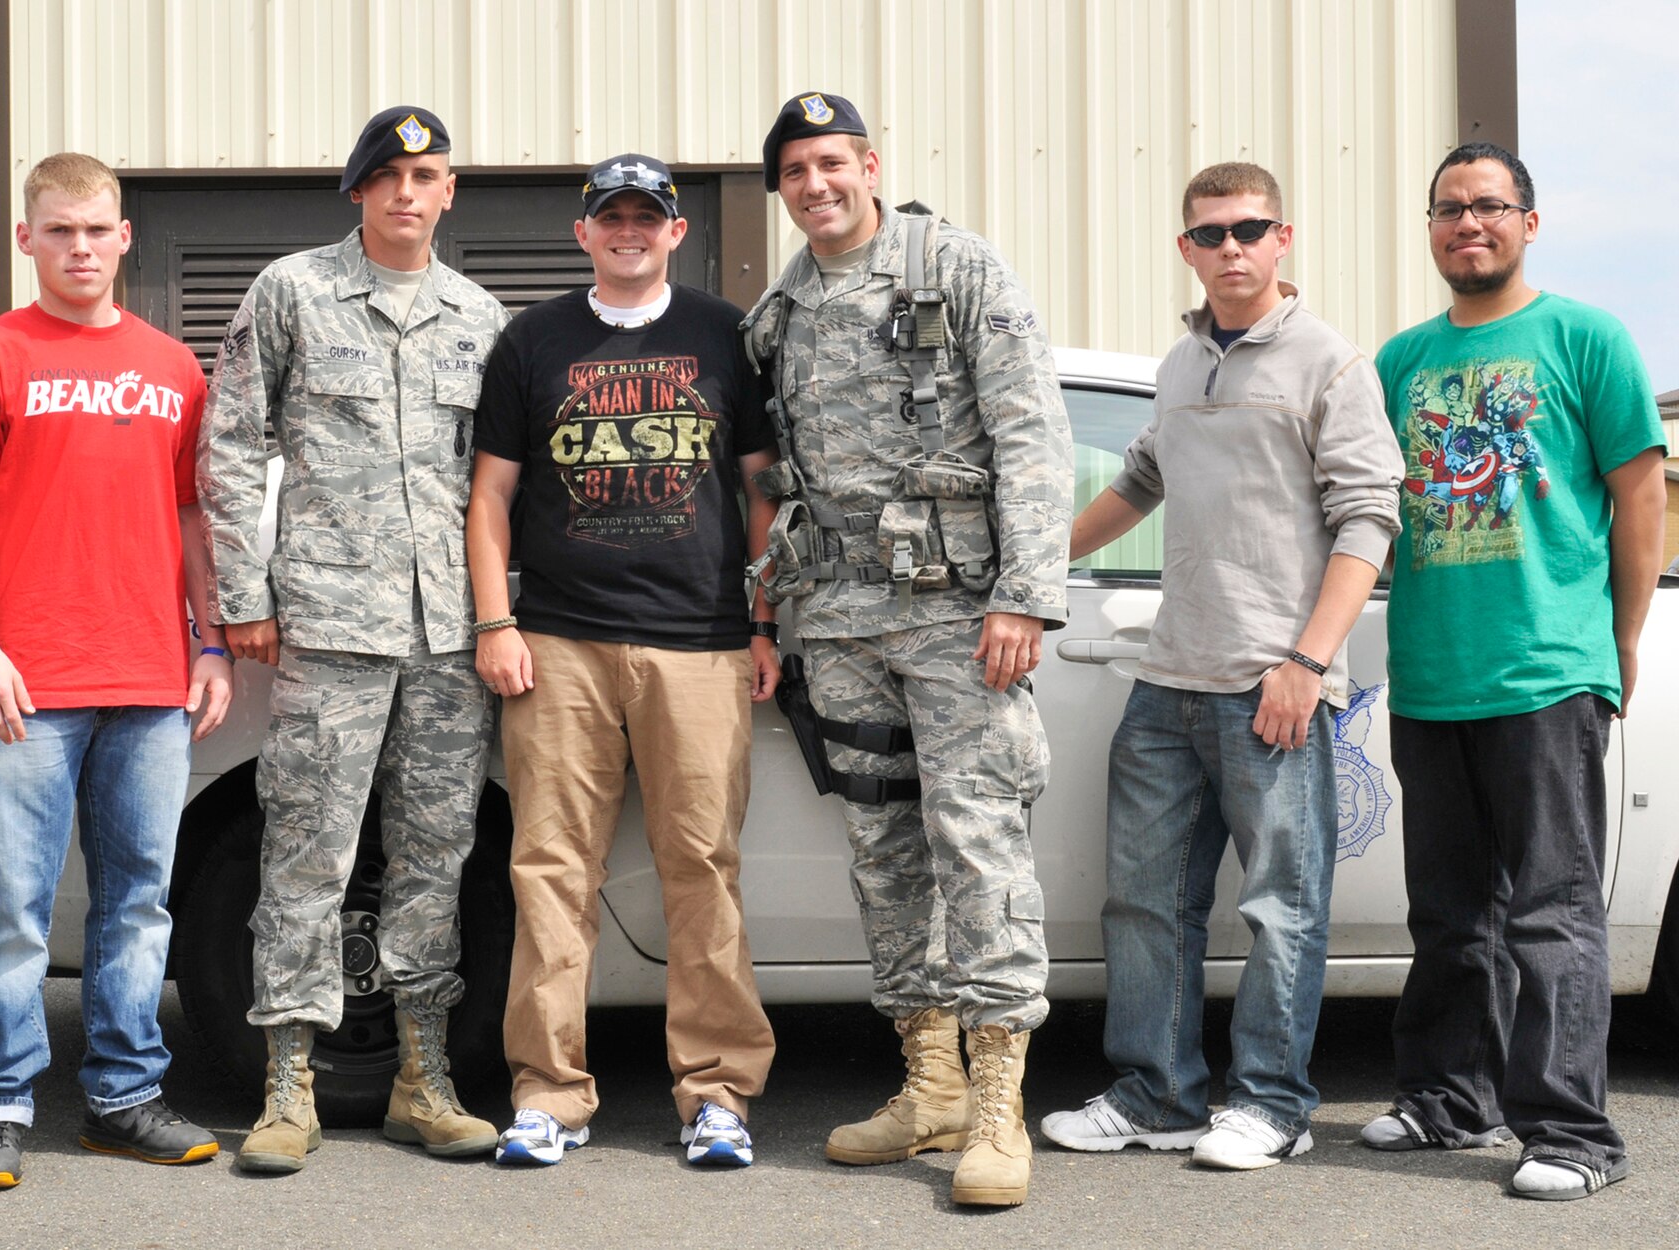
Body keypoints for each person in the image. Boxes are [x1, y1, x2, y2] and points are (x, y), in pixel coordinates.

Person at [743, 92, 1072, 1206]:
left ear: (869, 163)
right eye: (794, 170)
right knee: (883, 850)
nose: (815, 185)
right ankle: (925, 1078)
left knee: (976, 842)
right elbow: (773, 480)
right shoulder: (775, 312)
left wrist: (1025, 594)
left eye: (831, 163)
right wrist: (768, 615)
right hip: (835, 619)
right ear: (779, 187)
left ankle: (994, 1106)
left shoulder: (955, 266)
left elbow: (1029, 428)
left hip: (956, 617)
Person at [1042, 163, 1401, 1169]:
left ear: (1283, 238)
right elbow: (1137, 481)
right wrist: (1035, 560)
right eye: (1211, 232)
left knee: (1278, 904)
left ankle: (1271, 1105)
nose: (1230, 247)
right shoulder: (1179, 361)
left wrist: (1304, 658)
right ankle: (1155, 1094)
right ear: (1185, 248)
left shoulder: (1331, 363)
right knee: (1143, 902)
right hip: (1168, 676)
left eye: (1249, 229)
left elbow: (1369, 516)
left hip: (1271, 679)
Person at [0, 152, 232, 1191]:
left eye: (97, 230)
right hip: (27, 681)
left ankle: (121, 1095)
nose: (80, 248)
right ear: (26, 240)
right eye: (60, 231)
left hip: (149, 676)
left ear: (123, 237)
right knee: (12, 903)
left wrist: (213, 637)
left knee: (138, 901)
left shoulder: (173, 365)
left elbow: (190, 516)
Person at [199, 105, 508, 1173]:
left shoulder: (479, 315)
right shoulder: (292, 290)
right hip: (329, 624)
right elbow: (230, 441)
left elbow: (499, 482)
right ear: (357, 193)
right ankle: (288, 1084)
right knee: (306, 852)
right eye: (387, 175)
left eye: (425, 174)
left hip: (448, 638)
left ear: (448, 190)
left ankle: (425, 1076)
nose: (406, 193)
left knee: (434, 854)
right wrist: (243, 588)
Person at [1363, 142, 1665, 1202]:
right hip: (1431, 672)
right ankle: (1447, 1097)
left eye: (1487, 206)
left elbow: (1640, 497)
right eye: (1447, 209)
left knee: (1550, 908)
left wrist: (1616, 643)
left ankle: (1571, 1131)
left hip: (1545, 670)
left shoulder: (1584, 337)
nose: (1466, 224)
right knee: (1447, 910)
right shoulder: (1396, 362)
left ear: (1526, 222)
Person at [468, 153, 780, 1168]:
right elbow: (489, 498)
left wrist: (765, 622)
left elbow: (761, 492)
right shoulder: (533, 339)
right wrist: (492, 623)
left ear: (676, 232)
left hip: (699, 643)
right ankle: (548, 1094)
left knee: (702, 868)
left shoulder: (723, 335)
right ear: (584, 232)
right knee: (550, 869)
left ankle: (717, 1093)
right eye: (612, 217)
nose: (630, 231)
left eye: (648, 217)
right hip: (557, 640)